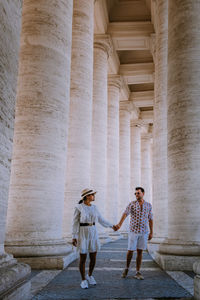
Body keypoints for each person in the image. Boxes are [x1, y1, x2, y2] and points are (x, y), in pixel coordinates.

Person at [72, 188, 116, 289]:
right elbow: (75, 223)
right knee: (82, 258)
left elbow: (101, 220)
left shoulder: (95, 207)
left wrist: (112, 226)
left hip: (93, 232)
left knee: (93, 257)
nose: (94, 196)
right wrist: (74, 236)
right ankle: (83, 280)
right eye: (92, 195)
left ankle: (90, 275)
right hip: (83, 232)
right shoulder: (79, 207)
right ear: (87, 196)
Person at [115, 186, 153, 280]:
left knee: (140, 251)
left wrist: (151, 232)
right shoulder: (132, 204)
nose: (136, 194)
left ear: (143, 194)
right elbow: (125, 213)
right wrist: (119, 224)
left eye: (138, 193)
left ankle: (138, 271)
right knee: (130, 250)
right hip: (133, 231)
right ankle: (126, 268)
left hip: (144, 231)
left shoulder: (148, 205)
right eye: (135, 193)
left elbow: (150, 219)